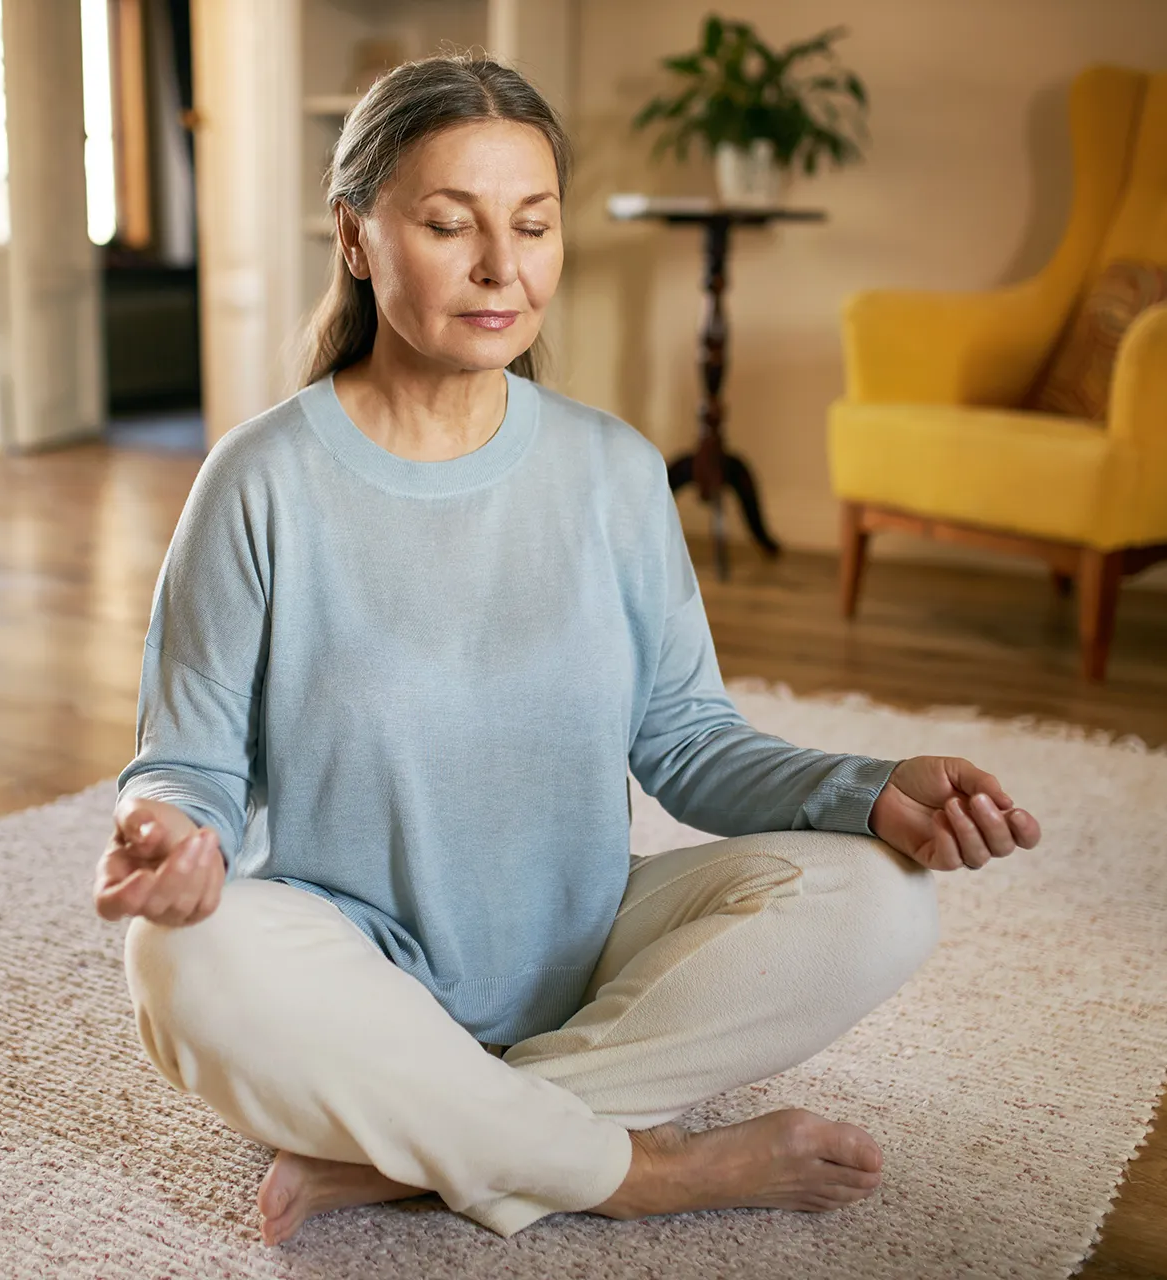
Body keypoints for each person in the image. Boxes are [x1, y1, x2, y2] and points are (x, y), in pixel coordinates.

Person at [94, 53, 1042, 1247]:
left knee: (883, 897)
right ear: (356, 237)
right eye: (451, 224)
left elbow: (687, 741)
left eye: (533, 225)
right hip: (354, 961)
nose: (503, 267)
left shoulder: (612, 469)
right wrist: (176, 834)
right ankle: (644, 1166)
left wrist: (870, 788)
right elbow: (187, 760)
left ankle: (423, 1147)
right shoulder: (260, 478)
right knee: (184, 962)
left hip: (583, 946)